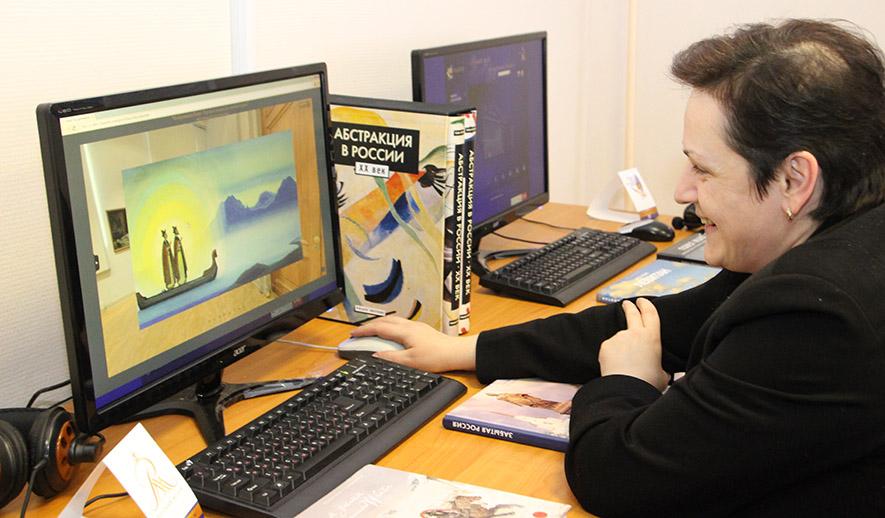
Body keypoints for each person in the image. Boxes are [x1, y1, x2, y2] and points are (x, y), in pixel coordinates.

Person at [352, 19, 885, 517]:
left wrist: (627, 380)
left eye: (703, 169)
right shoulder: (839, 235)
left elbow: (618, 479)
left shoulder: (816, 315)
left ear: (794, 180)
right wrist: (467, 350)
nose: (683, 191)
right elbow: (662, 321)